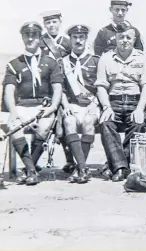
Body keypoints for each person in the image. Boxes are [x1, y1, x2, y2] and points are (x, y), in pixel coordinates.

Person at [2, 22, 63, 185]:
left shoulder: (51, 62)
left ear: (39, 37)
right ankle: (31, 170)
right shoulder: (14, 64)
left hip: (44, 107)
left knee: (43, 128)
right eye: (27, 35)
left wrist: (52, 107)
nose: (30, 39)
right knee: (14, 128)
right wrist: (13, 112)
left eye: (34, 35)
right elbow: (8, 91)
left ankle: (28, 170)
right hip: (22, 106)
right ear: (22, 38)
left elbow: (57, 89)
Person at [95, 22, 146, 182]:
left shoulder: (143, 58)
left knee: (139, 124)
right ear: (116, 38)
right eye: (121, 37)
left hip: (135, 102)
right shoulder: (106, 58)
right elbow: (101, 86)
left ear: (134, 39)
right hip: (113, 103)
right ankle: (121, 167)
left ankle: (114, 165)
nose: (124, 40)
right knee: (106, 123)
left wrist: (140, 108)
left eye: (128, 37)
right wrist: (106, 107)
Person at [60, 24, 100, 183]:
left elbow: (101, 87)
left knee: (88, 121)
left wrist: (95, 103)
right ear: (70, 40)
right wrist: (66, 105)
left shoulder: (96, 61)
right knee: (69, 121)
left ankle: (79, 168)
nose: (78, 41)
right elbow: (61, 89)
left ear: (86, 39)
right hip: (73, 104)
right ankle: (82, 168)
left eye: (81, 37)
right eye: (75, 37)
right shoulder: (62, 62)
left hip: (92, 103)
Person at [39, 10, 75, 173]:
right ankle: (34, 160)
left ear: (60, 21)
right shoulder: (40, 42)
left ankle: (70, 160)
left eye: (54, 22)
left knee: (64, 123)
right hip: (46, 89)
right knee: (41, 121)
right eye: (48, 23)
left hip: (65, 87)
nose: (51, 25)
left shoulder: (68, 42)